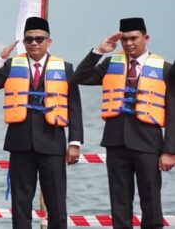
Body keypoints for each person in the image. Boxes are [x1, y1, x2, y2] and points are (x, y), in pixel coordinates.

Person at [0, 16, 83, 229]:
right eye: (29, 39)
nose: (34, 43)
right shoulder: (11, 65)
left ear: (49, 41)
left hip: (52, 143)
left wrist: (74, 142)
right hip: (20, 143)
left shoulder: (65, 68)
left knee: (57, 204)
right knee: (21, 204)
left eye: (39, 39)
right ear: (24, 41)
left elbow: (74, 107)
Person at [74, 17, 174, 229]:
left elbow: (173, 113)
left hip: (149, 144)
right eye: (124, 39)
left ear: (146, 38)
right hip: (116, 143)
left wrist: (169, 151)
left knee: (151, 203)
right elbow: (79, 78)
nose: (129, 43)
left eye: (133, 38)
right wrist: (99, 51)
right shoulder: (110, 64)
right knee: (119, 204)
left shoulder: (165, 68)